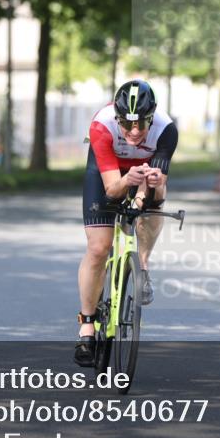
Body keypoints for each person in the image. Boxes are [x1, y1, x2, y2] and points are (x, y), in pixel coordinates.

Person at [74, 79, 178, 367]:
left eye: (141, 125)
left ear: (151, 118)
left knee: (156, 196)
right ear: (117, 117)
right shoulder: (102, 125)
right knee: (98, 248)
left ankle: (141, 264)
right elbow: (110, 190)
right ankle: (86, 324)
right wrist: (125, 181)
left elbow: (158, 186)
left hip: (143, 175)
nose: (134, 132)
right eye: (127, 125)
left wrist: (146, 189)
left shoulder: (166, 130)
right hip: (107, 175)